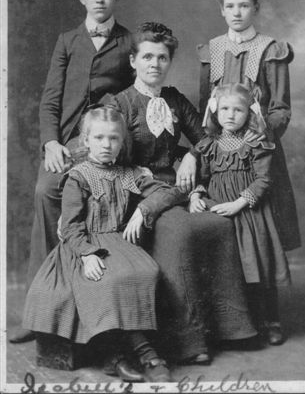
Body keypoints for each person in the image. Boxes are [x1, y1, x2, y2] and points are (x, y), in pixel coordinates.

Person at [109, 22, 257, 365]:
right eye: (147, 56)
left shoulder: (174, 98)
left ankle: (229, 328)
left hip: (177, 186)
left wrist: (190, 155)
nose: (155, 64)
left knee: (219, 223)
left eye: (162, 58)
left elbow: (207, 136)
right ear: (133, 61)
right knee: (180, 231)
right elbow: (116, 165)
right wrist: (154, 199)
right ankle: (188, 341)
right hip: (137, 193)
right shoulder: (120, 104)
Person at [11, 0, 134, 343]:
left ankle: (92, 308)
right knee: (45, 192)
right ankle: (41, 307)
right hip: (64, 143)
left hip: (103, 145)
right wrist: (51, 142)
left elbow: (130, 99)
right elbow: (50, 99)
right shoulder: (67, 40)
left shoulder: (129, 43)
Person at [22, 106, 189, 382]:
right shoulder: (78, 177)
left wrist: (145, 207)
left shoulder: (129, 174)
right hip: (82, 246)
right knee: (111, 279)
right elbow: (71, 226)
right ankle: (141, 353)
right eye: (99, 138)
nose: (106, 145)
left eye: (113, 138)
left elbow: (169, 191)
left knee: (147, 271)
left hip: (116, 241)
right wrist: (87, 255)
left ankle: (118, 355)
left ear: (121, 142)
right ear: (86, 140)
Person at [196, 0, 301, 345]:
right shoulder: (212, 49)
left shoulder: (270, 48)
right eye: (230, 5)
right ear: (221, 9)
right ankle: (232, 317)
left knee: (260, 233)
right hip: (221, 154)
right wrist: (204, 151)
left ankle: (269, 317)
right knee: (226, 236)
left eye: (244, 5)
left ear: (256, 7)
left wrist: (260, 135)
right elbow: (203, 109)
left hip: (259, 153)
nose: (237, 12)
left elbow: (281, 108)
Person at [190, 83, 291, 348]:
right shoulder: (210, 144)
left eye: (238, 110)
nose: (230, 115)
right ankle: (236, 324)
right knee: (229, 268)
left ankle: (271, 321)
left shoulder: (255, 141)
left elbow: (264, 179)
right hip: (218, 209)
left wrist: (239, 203)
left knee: (257, 263)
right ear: (215, 110)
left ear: (249, 112)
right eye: (225, 109)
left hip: (248, 210)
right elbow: (203, 177)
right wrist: (196, 195)